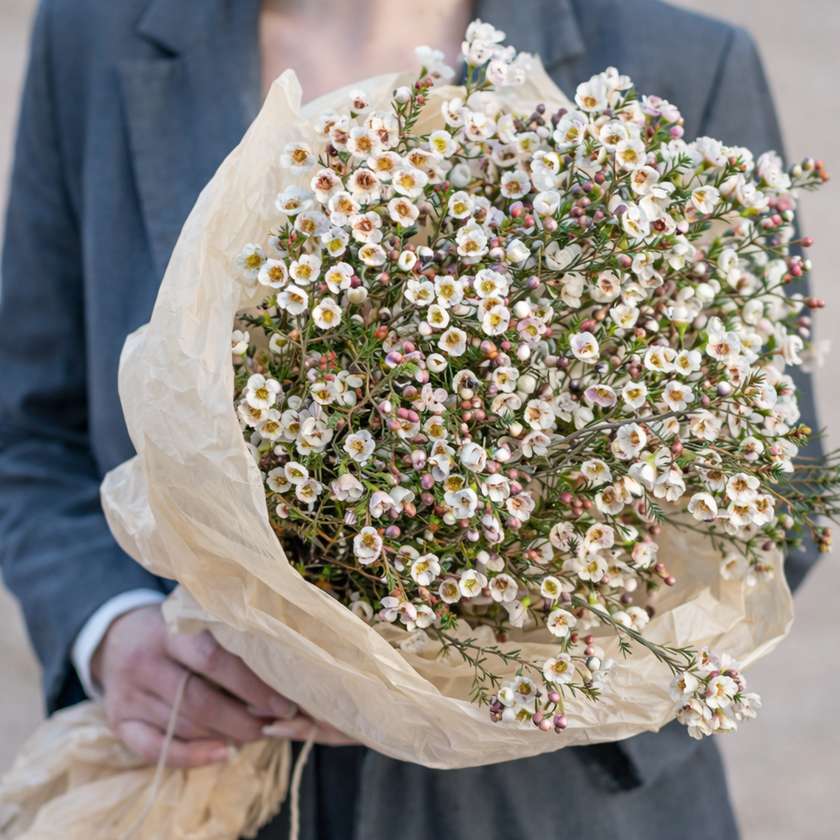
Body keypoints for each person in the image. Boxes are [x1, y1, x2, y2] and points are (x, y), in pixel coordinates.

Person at [0, 1, 822, 838]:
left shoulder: (683, 61)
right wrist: (110, 632)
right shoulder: (91, 33)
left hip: (542, 809)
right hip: (206, 780)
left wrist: (489, 685)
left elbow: (772, 504)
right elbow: (29, 430)